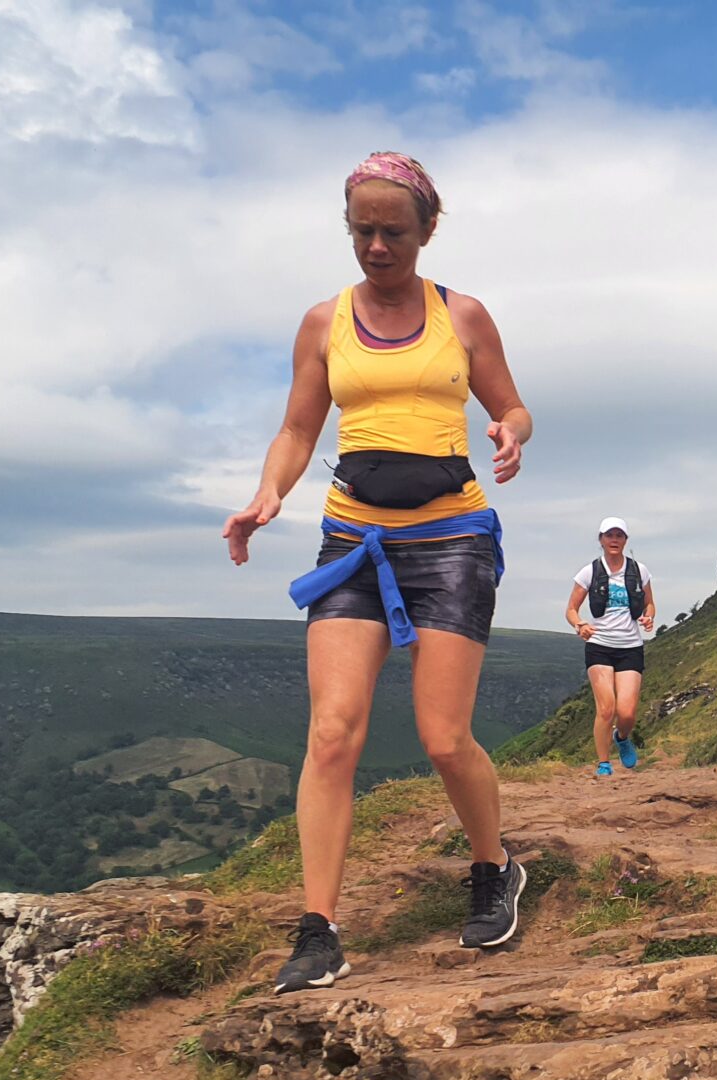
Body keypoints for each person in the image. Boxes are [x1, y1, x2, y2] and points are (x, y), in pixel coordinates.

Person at [222, 151, 534, 994]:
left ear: (429, 230)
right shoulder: (323, 323)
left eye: (394, 231)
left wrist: (509, 429)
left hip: (452, 539)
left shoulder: (461, 316)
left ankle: (493, 866)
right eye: (362, 230)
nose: (376, 246)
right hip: (353, 543)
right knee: (332, 734)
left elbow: (510, 403)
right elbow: (296, 429)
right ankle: (318, 928)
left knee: (442, 737)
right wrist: (266, 495)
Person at [565, 517, 656, 778]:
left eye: (619, 536)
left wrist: (649, 616)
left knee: (626, 712)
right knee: (606, 708)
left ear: (625, 540)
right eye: (609, 535)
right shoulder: (589, 572)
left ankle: (622, 736)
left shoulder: (639, 571)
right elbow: (571, 609)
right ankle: (604, 763)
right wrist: (580, 625)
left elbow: (650, 603)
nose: (614, 540)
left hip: (630, 646)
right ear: (601, 540)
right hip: (600, 646)